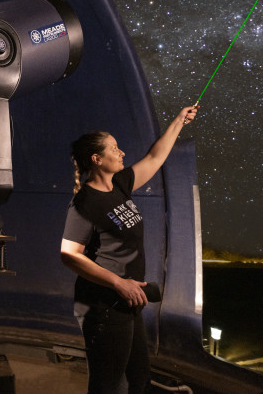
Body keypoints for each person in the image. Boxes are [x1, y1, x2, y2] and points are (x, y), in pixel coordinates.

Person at [60, 106, 198, 394]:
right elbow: (70, 254)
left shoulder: (119, 185)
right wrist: (118, 283)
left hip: (128, 302)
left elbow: (155, 156)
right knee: (107, 386)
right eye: (114, 148)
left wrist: (178, 122)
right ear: (97, 159)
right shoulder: (85, 203)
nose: (122, 152)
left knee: (139, 381)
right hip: (104, 307)